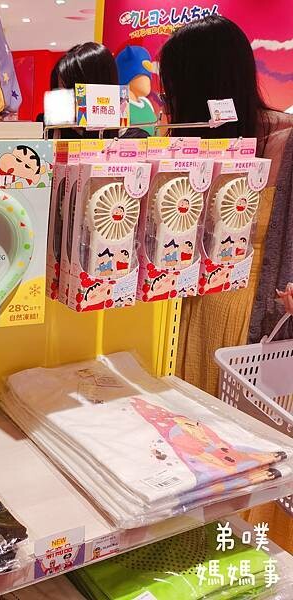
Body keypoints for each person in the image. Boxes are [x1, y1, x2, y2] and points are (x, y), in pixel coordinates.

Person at [160, 15, 293, 552]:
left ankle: (242, 553)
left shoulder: (285, 139)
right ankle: (192, 545)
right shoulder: (187, 139)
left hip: (253, 321)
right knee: (188, 446)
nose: (168, 100)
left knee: (245, 457)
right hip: (187, 310)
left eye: (174, 87)